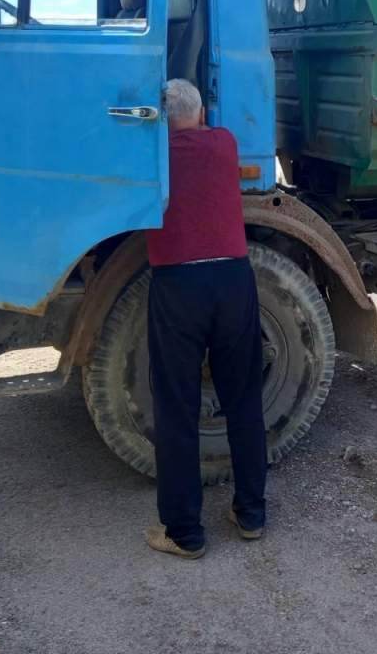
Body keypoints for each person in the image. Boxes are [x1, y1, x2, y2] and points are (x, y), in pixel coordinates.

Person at [143, 79, 267, 559]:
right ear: (200, 113)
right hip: (234, 280)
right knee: (244, 399)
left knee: (177, 408)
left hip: (178, 286)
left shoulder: (152, 154)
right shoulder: (225, 143)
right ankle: (251, 514)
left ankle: (184, 533)